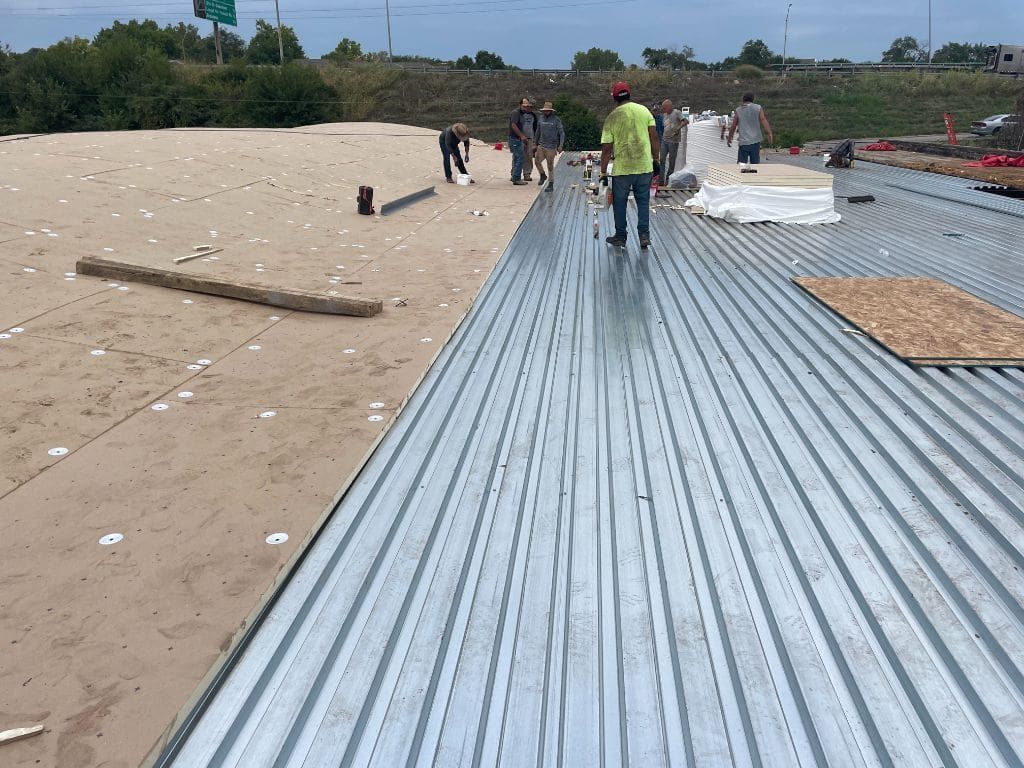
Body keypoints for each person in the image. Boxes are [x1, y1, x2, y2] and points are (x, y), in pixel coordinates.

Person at [600, 81, 660, 249]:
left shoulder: (611, 117)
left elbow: (606, 149)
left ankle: (620, 237)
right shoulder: (644, 111)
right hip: (644, 167)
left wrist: (603, 173)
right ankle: (644, 236)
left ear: (614, 98)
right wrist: (656, 160)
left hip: (622, 170)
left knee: (620, 204)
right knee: (643, 202)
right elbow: (654, 137)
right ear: (629, 94)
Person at [727, 92, 774, 165]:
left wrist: (730, 138)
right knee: (755, 164)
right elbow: (763, 119)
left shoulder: (738, 110)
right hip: (755, 141)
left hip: (743, 142)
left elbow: (733, 126)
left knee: (741, 165)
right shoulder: (758, 107)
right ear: (752, 99)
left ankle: (742, 172)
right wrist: (769, 132)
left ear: (743, 99)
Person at [533, 101, 565, 189]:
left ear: (551, 111)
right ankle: (542, 175)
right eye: (545, 110)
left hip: (551, 147)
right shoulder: (540, 119)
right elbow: (538, 131)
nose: (546, 112)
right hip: (541, 145)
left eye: (547, 110)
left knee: (550, 165)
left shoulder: (556, 120)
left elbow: (561, 133)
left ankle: (551, 183)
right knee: (537, 161)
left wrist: (560, 145)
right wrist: (535, 143)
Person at [659, 99, 688, 185]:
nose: (664, 109)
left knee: (672, 161)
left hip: (673, 141)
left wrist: (678, 128)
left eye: (665, 108)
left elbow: (686, 121)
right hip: (665, 140)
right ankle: (661, 180)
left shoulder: (677, 113)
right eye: (663, 108)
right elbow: (664, 127)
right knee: (662, 159)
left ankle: (668, 180)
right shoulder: (665, 115)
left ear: (670, 106)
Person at [508, 97, 535, 185]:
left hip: (522, 139)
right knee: (520, 157)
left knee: (521, 157)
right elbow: (513, 125)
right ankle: (516, 178)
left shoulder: (526, 114)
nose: (526, 107)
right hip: (515, 139)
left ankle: (516, 177)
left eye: (527, 106)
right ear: (520, 105)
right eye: (524, 106)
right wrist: (522, 136)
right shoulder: (516, 113)